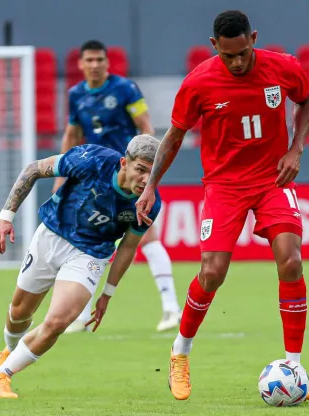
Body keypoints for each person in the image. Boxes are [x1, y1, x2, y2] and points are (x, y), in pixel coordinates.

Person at [135, 10, 309, 401]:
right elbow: (173, 137)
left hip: (272, 178)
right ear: (214, 46)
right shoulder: (199, 83)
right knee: (213, 272)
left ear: (253, 38)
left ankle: (295, 366)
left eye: (244, 52)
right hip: (224, 186)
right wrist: (151, 185)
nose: (238, 62)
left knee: (291, 260)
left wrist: (296, 148)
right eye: (229, 55)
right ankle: (180, 353)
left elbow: (306, 102)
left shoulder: (283, 68)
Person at [0, 135, 162, 399]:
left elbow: (127, 246)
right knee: (20, 312)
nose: (146, 180)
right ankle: (8, 351)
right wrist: (5, 217)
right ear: (124, 163)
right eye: (140, 170)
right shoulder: (91, 160)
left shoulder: (150, 203)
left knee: (58, 321)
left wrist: (107, 293)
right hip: (52, 235)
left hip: (90, 254)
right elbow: (33, 169)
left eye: (153, 173)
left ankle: (3, 375)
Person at [53, 39, 182, 333]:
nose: (95, 65)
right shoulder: (76, 95)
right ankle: (81, 315)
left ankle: (171, 307)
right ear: (81, 64)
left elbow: (146, 127)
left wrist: (150, 171)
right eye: (90, 60)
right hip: (94, 183)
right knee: (86, 243)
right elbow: (72, 135)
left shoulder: (125, 89)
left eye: (100, 60)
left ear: (107, 62)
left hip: (129, 180)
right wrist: (61, 179)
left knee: (146, 237)